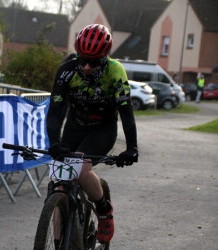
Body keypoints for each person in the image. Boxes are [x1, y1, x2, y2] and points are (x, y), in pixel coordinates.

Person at [46, 24, 138, 244]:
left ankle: (104, 211)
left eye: (94, 62)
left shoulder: (115, 72)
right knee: (58, 181)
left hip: (102, 129)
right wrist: (55, 142)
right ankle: (59, 242)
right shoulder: (67, 71)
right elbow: (55, 113)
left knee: (82, 169)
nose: (87, 66)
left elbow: (126, 112)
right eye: (83, 60)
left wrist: (132, 147)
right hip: (75, 127)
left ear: (105, 58)